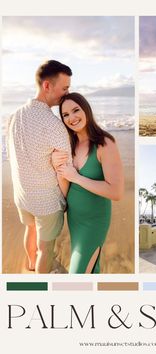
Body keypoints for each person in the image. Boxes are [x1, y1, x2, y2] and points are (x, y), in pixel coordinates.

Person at [7, 60, 73, 273]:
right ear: (47, 86)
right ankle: (41, 284)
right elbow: (64, 172)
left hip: (22, 195)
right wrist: (64, 200)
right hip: (46, 201)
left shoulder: (14, 116)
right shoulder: (54, 125)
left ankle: (29, 264)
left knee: (30, 229)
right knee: (46, 249)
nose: (66, 93)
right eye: (64, 88)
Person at [51, 92, 124, 274]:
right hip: (74, 219)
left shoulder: (105, 143)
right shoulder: (69, 145)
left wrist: (76, 177)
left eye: (76, 110)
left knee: (78, 274)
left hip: (94, 222)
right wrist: (59, 170)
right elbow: (67, 193)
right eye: (65, 115)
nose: (71, 118)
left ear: (86, 110)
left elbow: (116, 192)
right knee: (91, 270)